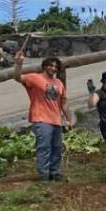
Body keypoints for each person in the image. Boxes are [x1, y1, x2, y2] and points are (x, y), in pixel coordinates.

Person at [12, 51, 73, 181]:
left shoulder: (59, 83)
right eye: (51, 65)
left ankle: (55, 173)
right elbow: (17, 77)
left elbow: (64, 103)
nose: (53, 68)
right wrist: (18, 63)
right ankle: (44, 176)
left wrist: (69, 119)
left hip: (56, 120)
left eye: (56, 67)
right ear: (45, 66)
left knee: (56, 149)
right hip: (41, 119)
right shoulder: (34, 78)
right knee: (44, 148)